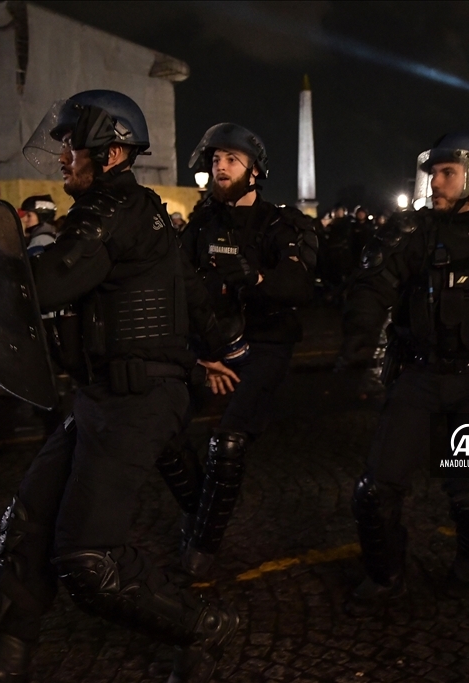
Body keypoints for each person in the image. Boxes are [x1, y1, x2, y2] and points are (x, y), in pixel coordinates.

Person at [0, 91, 241, 683]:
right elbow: (186, 288)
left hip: (137, 399)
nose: (62, 158)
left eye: (72, 147)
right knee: (28, 523)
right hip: (103, 395)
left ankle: (206, 628)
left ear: (110, 153)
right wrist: (214, 347)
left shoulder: (110, 206)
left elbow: (47, 285)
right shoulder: (139, 207)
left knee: (88, 558)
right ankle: (1, 662)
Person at [339, 132, 469, 616]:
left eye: (447, 173)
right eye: (433, 173)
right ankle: (386, 576)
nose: (435, 182)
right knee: (376, 490)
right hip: (418, 377)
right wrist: (358, 344)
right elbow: (372, 286)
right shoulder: (413, 232)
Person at [166, 122, 317, 582]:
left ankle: (203, 544)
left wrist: (256, 278)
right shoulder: (200, 225)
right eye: (215, 159)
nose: (220, 166)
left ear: (255, 171)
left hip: (265, 344)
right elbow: (179, 287)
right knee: (160, 427)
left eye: (231, 159)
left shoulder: (281, 223)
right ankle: (201, 510)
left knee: (228, 442)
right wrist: (204, 354)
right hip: (209, 346)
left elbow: (300, 285)